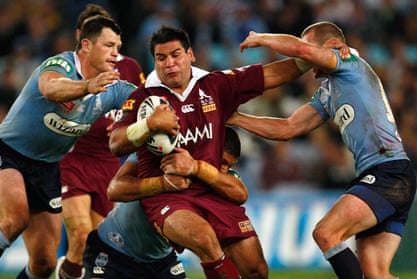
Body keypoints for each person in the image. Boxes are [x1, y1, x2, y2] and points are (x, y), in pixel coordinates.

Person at [108, 25, 312, 279]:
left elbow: (271, 76)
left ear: (190, 55)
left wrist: (314, 58)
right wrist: (148, 125)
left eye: (176, 55)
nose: (169, 64)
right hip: (171, 195)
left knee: (256, 270)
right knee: (206, 242)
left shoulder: (215, 85)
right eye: (161, 58)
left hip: (213, 188)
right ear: (155, 61)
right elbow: (115, 143)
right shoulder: (142, 98)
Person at [227, 21, 416, 279]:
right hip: (388, 176)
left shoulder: (348, 62)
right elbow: (288, 128)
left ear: (332, 45)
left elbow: (302, 52)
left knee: (325, 233)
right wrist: (236, 118)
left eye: (309, 45)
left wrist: (262, 37)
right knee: (375, 273)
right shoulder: (327, 93)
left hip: (388, 172)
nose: (308, 66)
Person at [0, 16, 137, 279]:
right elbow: (50, 87)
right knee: (15, 219)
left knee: (43, 265)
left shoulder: (114, 86)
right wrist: (87, 86)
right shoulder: (61, 64)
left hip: (47, 168)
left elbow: (146, 101)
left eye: (118, 47)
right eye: (109, 45)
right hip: (7, 153)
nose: (115, 53)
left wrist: (139, 120)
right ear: (86, 45)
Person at [83, 126, 245, 279]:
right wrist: (164, 183)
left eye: (229, 166)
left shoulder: (217, 179)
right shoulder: (162, 150)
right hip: (113, 249)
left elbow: (240, 194)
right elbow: (115, 190)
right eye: (222, 162)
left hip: (160, 262)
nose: (223, 170)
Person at [56, 4, 144, 279]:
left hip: (108, 166)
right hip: (73, 161)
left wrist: (126, 124)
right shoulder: (69, 69)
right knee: (80, 233)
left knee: (100, 247)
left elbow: (141, 106)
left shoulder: (130, 67)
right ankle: (68, 265)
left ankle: (69, 270)